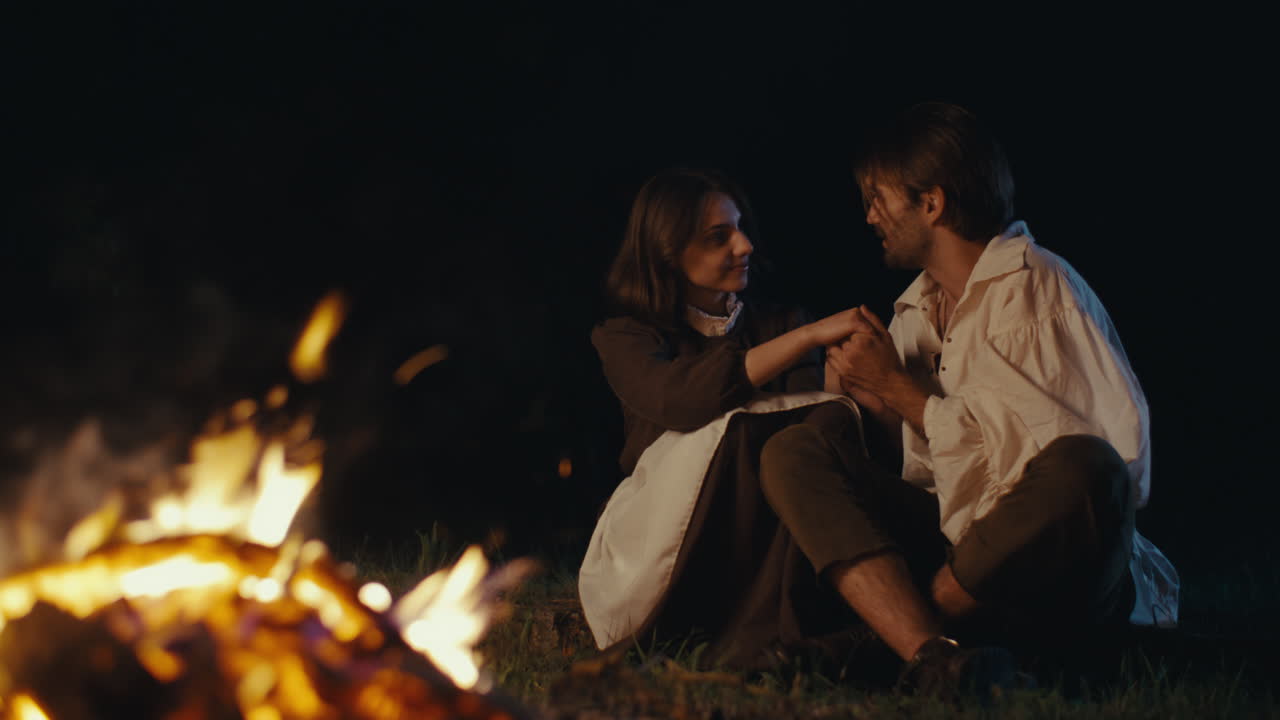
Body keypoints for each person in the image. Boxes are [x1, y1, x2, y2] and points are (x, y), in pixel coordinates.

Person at [766, 101, 1178, 694]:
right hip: (956, 548)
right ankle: (934, 653)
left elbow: (1099, 475)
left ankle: (879, 643)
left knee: (1089, 467)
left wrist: (901, 391)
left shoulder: (1038, 286)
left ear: (930, 203)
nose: (869, 216)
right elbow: (930, 472)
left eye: (879, 198)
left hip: (1057, 568)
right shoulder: (912, 317)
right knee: (794, 452)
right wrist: (866, 404)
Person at [578, 168, 873, 668]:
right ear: (667, 252)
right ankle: (728, 638)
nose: (745, 246)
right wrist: (805, 340)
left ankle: (789, 636)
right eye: (719, 238)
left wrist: (845, 380)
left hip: (767, 518)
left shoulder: (778, 318)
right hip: (668, 524)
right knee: (740, 430)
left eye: (740, 228)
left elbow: (807, 424)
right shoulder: (626, 336)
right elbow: (680, 402)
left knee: (810, 437)